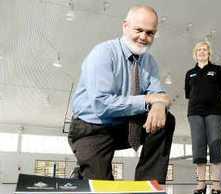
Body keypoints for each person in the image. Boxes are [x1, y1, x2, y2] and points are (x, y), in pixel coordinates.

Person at [68, 5, 175, 184]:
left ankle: (148, 186)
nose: (144, 37)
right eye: (139, 30)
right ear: (125, 26)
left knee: (165, 119)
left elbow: (159, 95)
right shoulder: (103, 53)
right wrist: (149, 100)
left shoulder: (149, 62)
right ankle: (83, 171)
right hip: (91, 127)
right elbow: (102, 105)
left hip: (122, 125)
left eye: (150, 33)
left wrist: (158, 105)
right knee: (102, 191)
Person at [185, 41, 221, 194]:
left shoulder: (218, 70)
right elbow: (188, 95)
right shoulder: (189, 73)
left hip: (215, 113)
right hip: (195, 113)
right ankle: (201, 183)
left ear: (209, 53)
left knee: (215, 144)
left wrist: (219, 108)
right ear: (195, 53)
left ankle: (216, 183)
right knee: (198, 146)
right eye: (199, 50)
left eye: (204, 50)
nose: (202, 52)